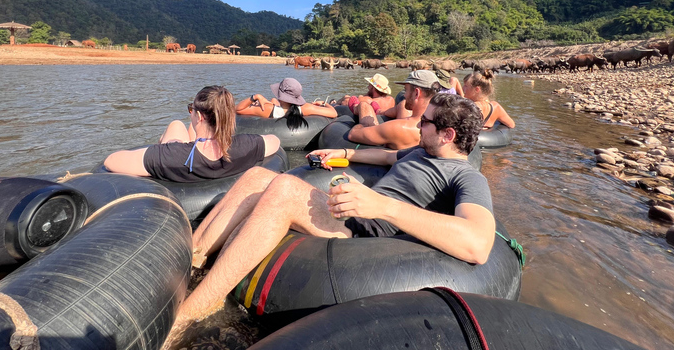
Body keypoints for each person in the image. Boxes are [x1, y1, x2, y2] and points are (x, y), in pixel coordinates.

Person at [163, 93, 495, 347]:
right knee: (254, 177)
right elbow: (387, 155)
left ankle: (195, 310)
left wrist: (383, 206)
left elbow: (478, 245)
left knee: (284, 189)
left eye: (427, 122)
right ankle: (195, 255)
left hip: (368, 233)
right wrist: (344, 155)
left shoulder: (467, 178)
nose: (418, 124)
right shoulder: (422, 151)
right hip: (356, 210)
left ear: (448, 134)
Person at [104, 86, 281, 182]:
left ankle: (187, 137)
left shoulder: (169, 156)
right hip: (211, 149)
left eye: (192, 110)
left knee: (176, 124)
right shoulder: (245, 145)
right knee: (183, 128)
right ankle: (193, 138)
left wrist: (164, 148)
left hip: (180, 154)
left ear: (199, 115)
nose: (191, 113)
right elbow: (274, 141)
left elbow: (111, 161)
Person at [346, 70, 440, 149]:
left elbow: (353, 134)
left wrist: (364, 124)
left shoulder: (399, 127)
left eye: (406, 90)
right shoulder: (440, 124)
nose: (404, 95)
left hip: (396, 136)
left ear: (416, 93)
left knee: (363, 105)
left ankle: (365, 109)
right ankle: (379, 111)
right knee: (403, 104)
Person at [235, 78, 337, 129]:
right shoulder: (306, 108)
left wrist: (256, 96)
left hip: (274, 113)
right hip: (286, 112)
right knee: (273, 100)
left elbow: (238, 109)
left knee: (273, 101)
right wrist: (323, 103)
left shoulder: (266, 109)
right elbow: (334, 113)